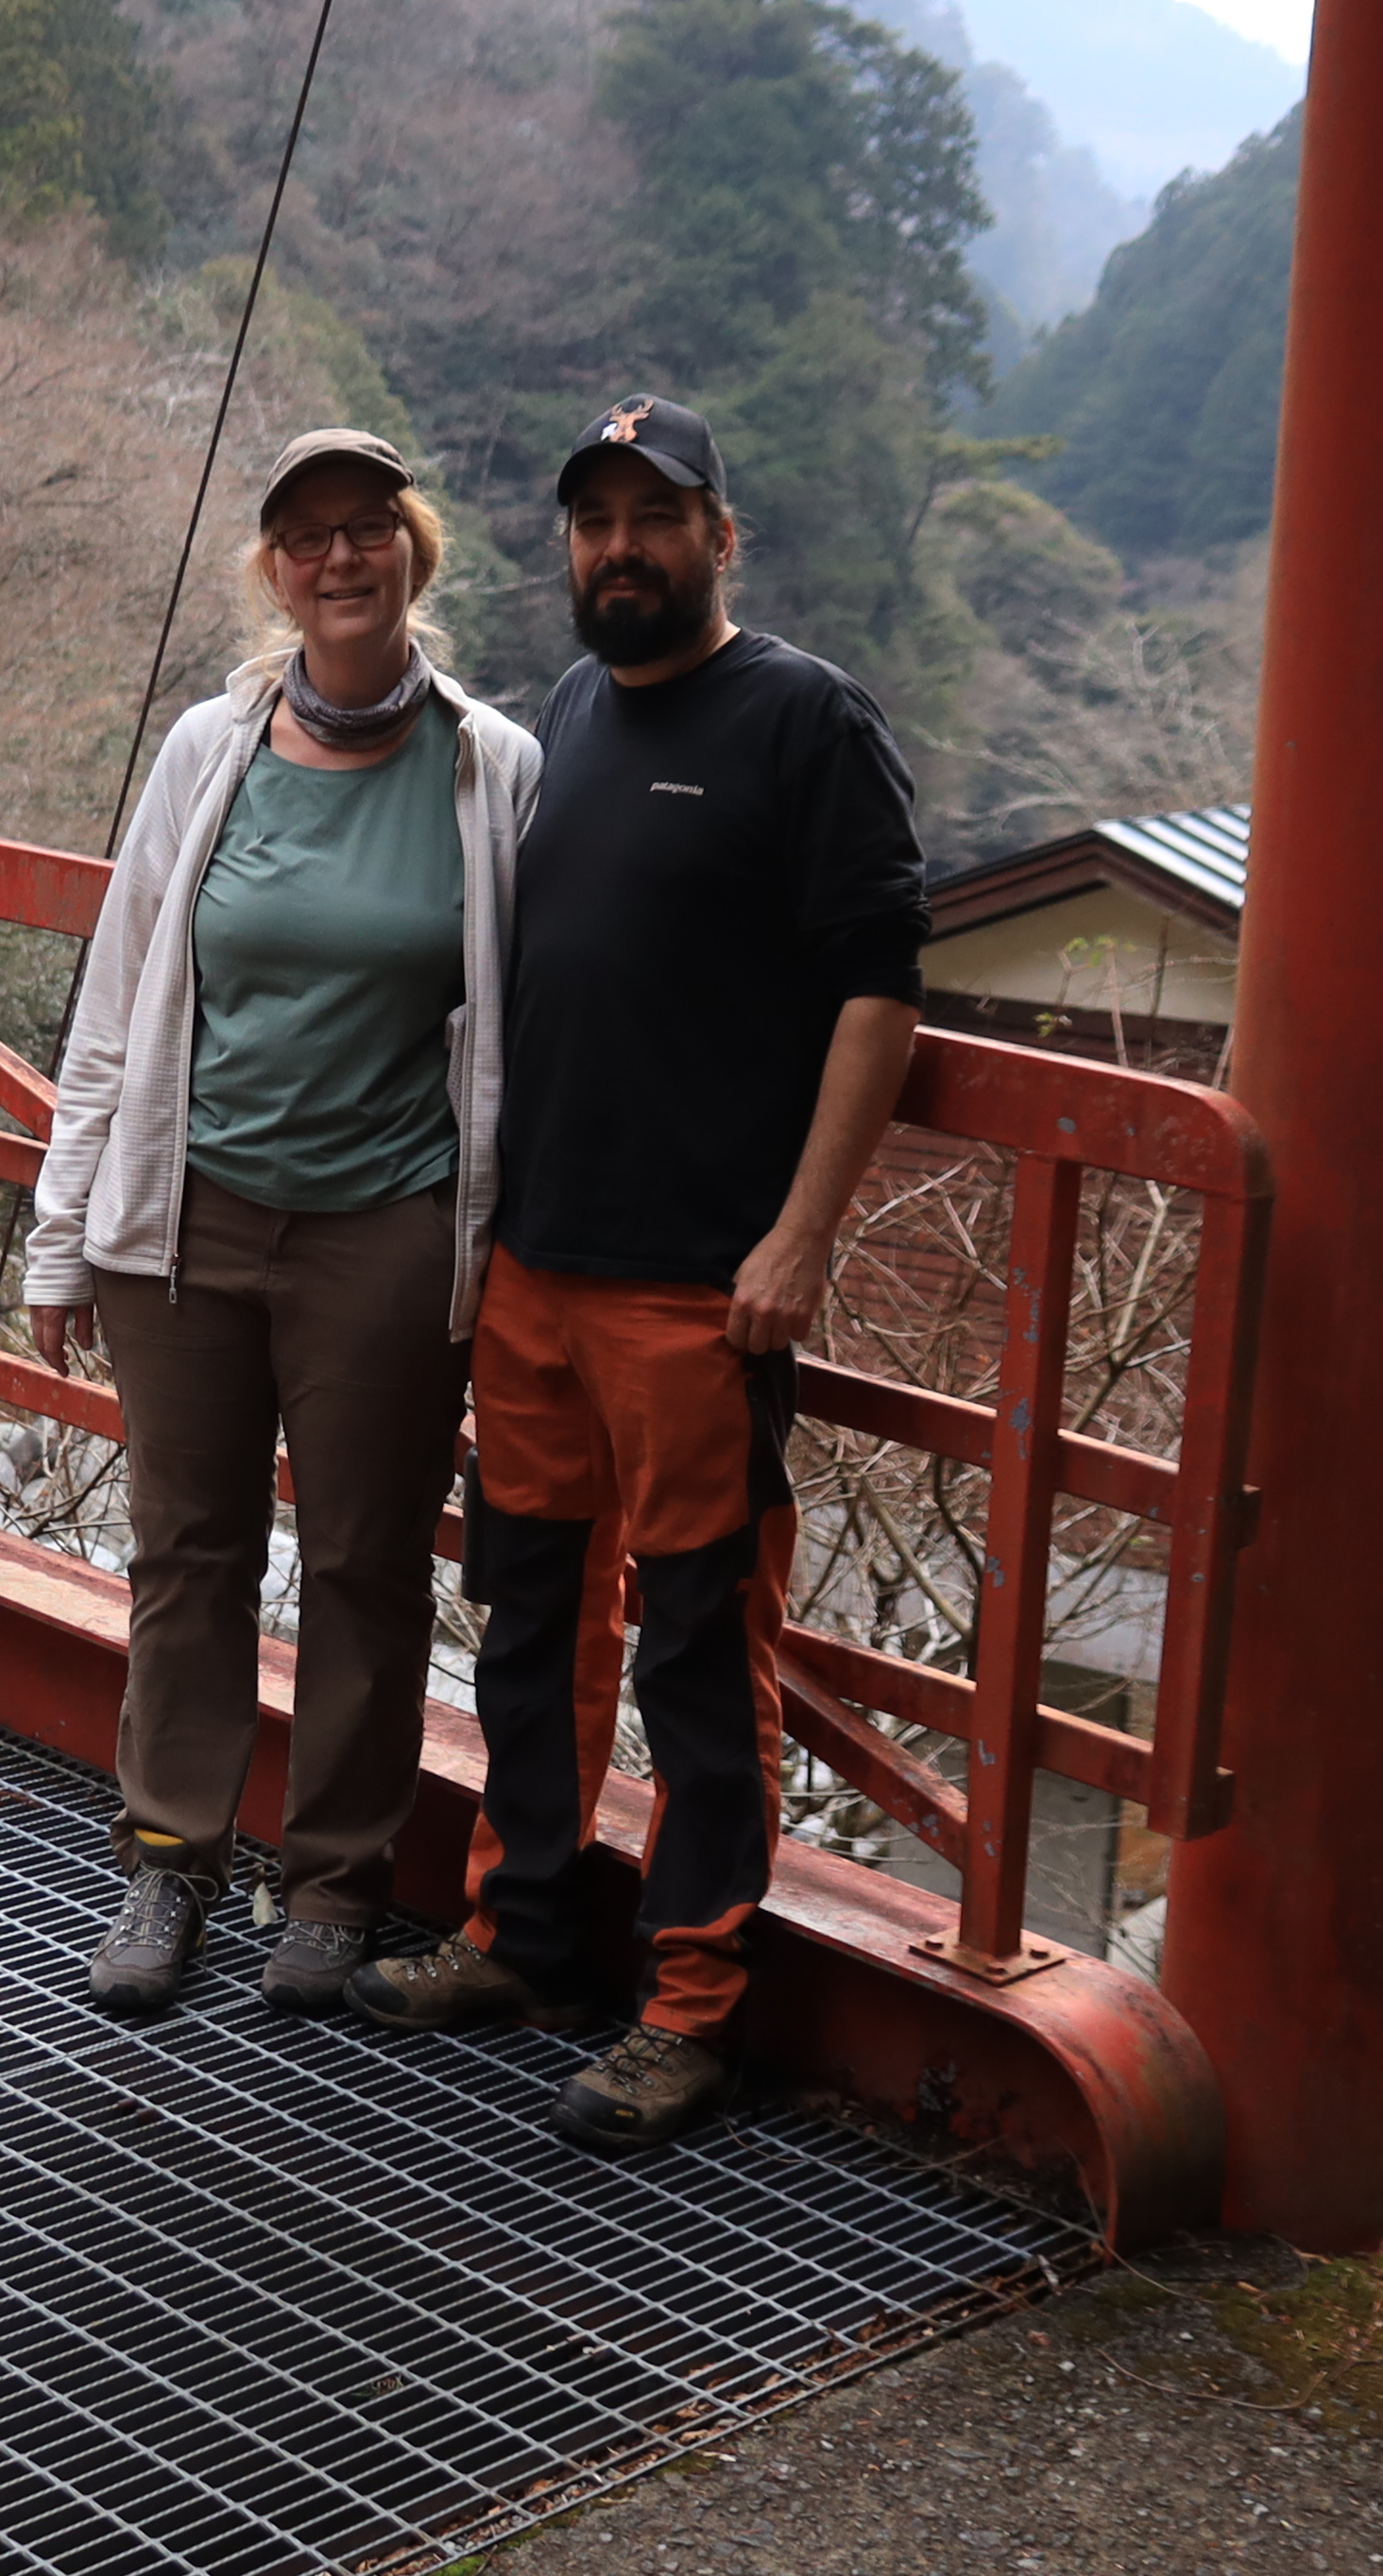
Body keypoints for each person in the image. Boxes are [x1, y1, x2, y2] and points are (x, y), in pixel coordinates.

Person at [347, 394, 928, 2152]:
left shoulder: (809, 722)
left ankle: (691, 2006)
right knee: (529, 1619)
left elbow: (881, 991)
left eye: (654, 519)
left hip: (697, 1289)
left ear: (719, 537)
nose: (622, 548)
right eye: (595, 521)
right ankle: (523, 1932)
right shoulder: (575, 713)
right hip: (538, 1263)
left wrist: (802, 1235)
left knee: (696, 1651)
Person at [28, 427, 542, 2019]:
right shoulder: (208, 751)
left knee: (371, 1563)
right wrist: (62, 1228)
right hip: (187, 1218)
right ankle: (169, 1860)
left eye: (368, 529)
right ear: (276, 569)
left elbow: (527, 1019)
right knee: (188, 1555)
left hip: (384, 1226)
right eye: (308, 536)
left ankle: (332, 1884)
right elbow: (118, 1000)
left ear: (415, 553)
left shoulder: (489, 768)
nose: (340, 557)